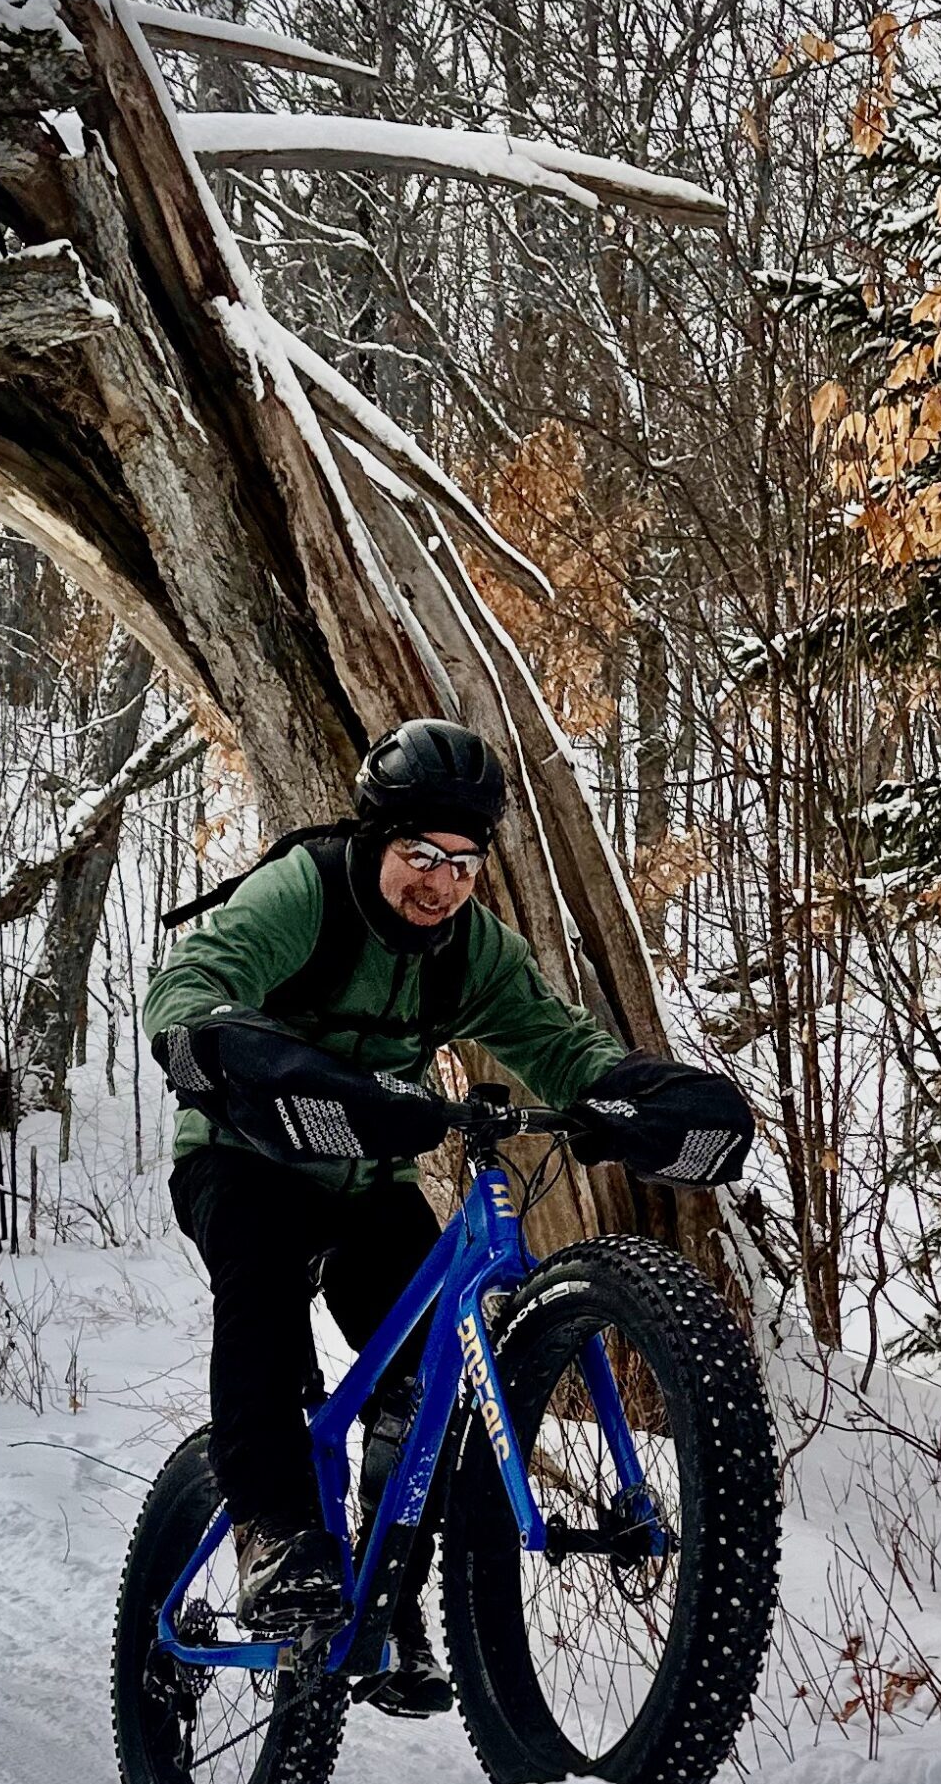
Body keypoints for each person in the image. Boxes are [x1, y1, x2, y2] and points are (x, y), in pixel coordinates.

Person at [143, 719, 753, 1718]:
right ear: (376, 838)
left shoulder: (472, 949)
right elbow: (190, 987)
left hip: (368, 1180)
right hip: (241, 1159)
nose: (440, 881)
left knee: (435, 1382)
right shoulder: (305, 895)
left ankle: (388, 1611)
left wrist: (631, 1095)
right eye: (419, 854)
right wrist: (233, 1049)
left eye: (463, 862)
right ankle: (274, 1536)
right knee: (258, 1305)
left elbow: (558, 1045)